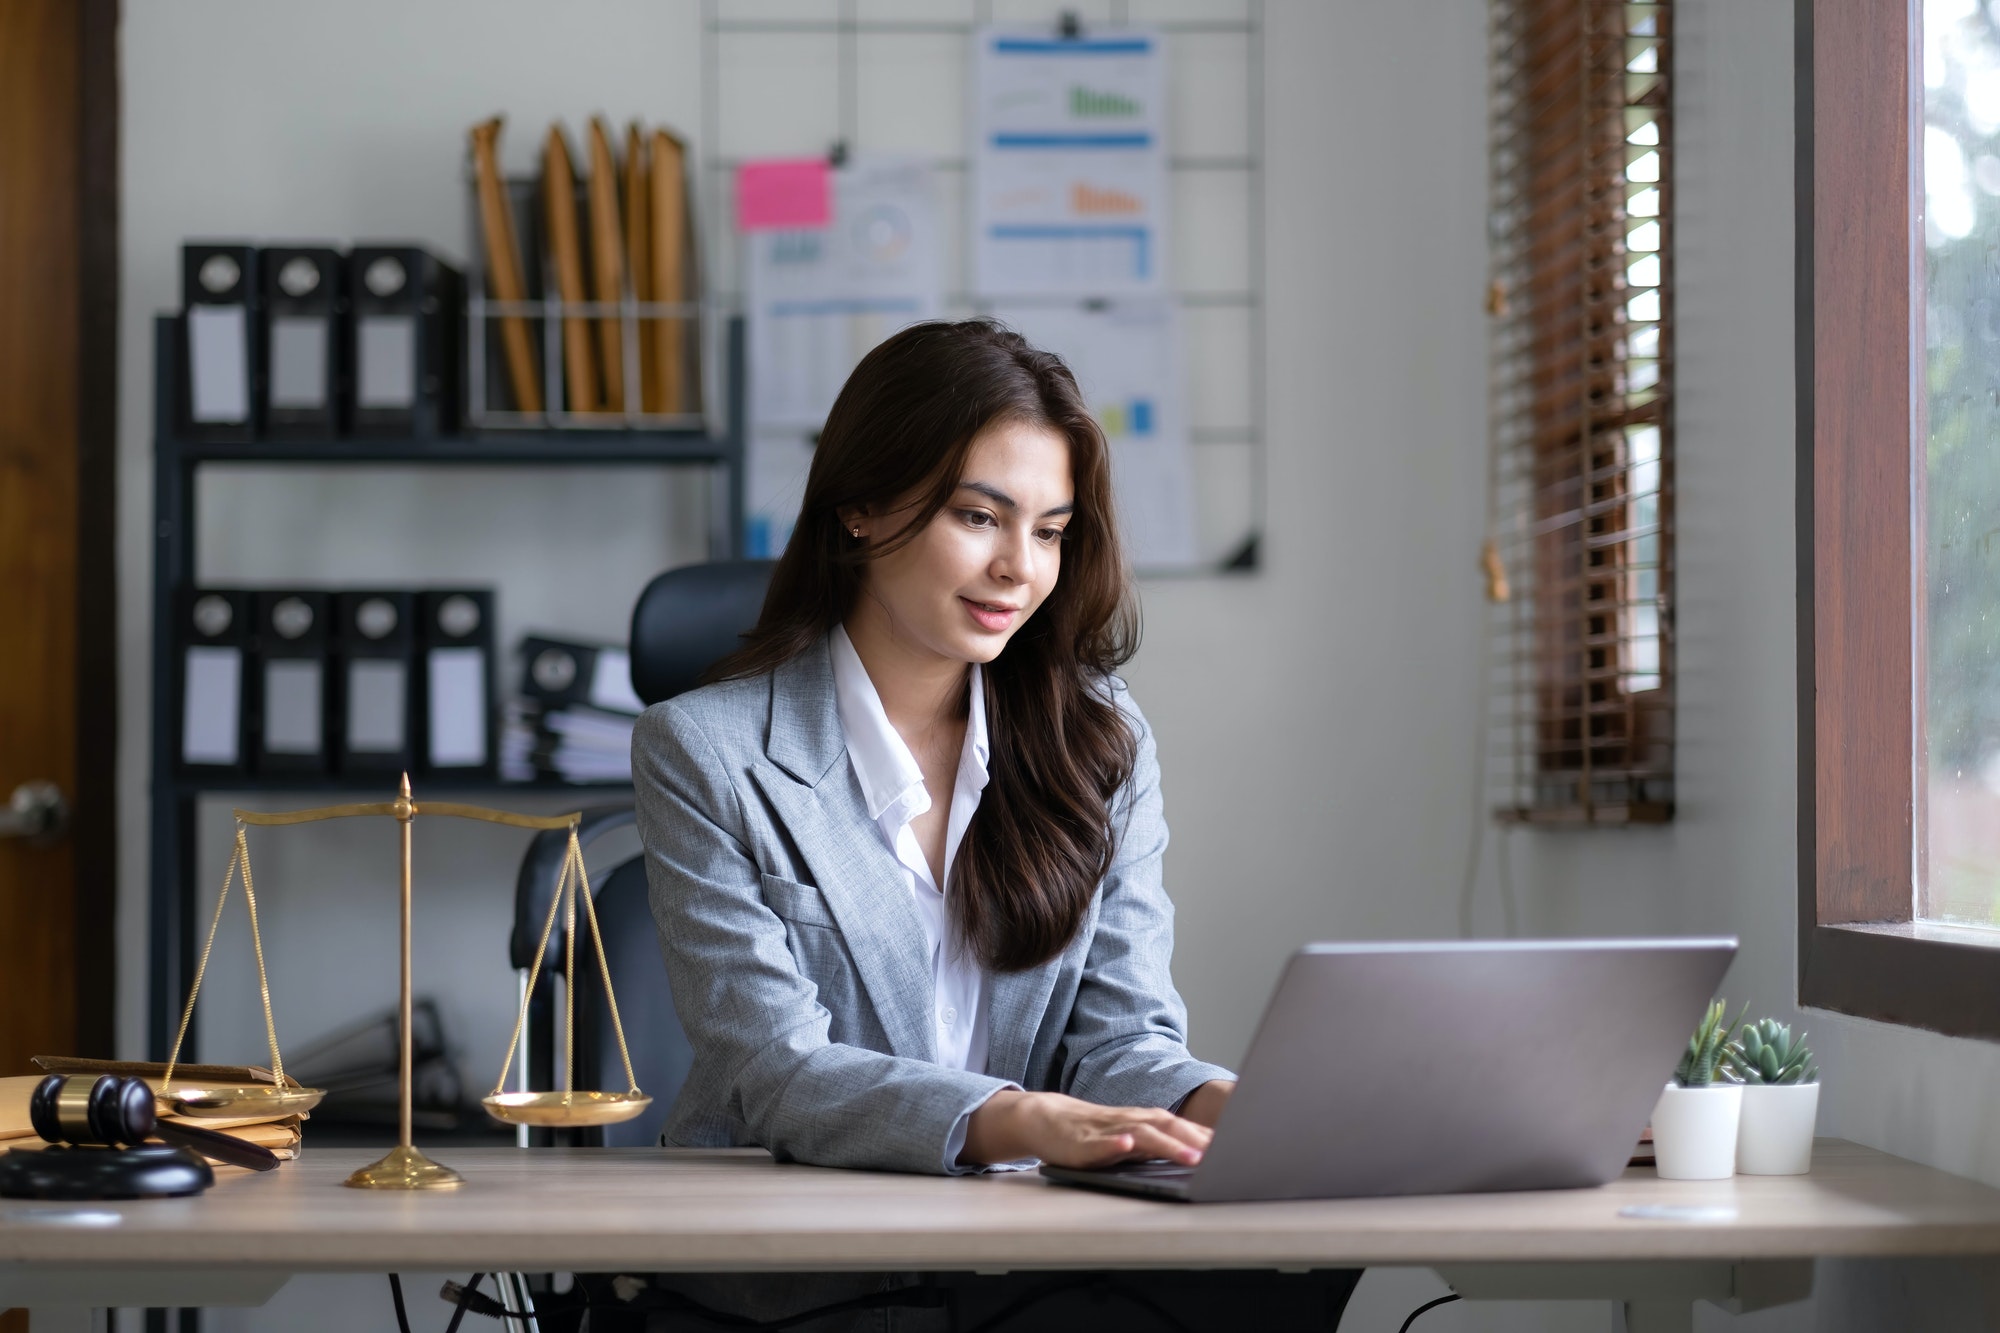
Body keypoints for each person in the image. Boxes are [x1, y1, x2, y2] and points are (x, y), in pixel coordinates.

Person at [633, 318, 1234, 1178]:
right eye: (981, 516)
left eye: (1051, 531)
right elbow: (773, 1070)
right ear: (861, 509)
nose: (1018, 568)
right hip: (791, 1261)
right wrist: (1018, 1118)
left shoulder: (1102, 745)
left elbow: (1122, 1040)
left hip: (1025, 1256)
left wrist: (1221, 1101)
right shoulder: (703, 752)